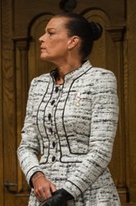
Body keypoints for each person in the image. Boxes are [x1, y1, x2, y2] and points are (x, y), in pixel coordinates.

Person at [17, 12, 121, 206]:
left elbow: (101, 150)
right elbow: (27, 146)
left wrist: (66, 193)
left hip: (90, 193)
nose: (41, 38)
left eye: (50, 33)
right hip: (45, 194)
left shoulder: (100, 79)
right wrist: (36, 175)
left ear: (73, 42)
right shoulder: (38, 85)